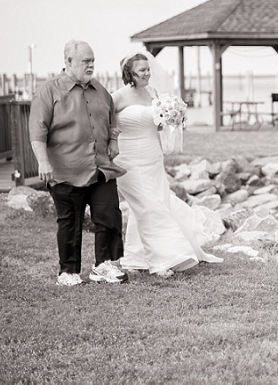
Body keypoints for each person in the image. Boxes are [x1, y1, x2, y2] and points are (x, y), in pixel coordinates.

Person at [111, 53, 222, 277]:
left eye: (148, 69)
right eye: (141, 70)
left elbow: (157, 126)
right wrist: (112, 140)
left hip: (153, 156)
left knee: (153, 203)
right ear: (129, 73)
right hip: (128, 159)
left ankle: (136, 257)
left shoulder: (153, 93)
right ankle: (161, 260)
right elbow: (103, 121)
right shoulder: (118, 97)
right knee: (147, 205)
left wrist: (171, 118)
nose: (147, 73)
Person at [29, 40, 129, 286]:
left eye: (93, 61)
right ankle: (68, 271)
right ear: (68, 62)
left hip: (100, 167)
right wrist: (43, 162)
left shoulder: (99, 89)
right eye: (86, 61)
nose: (91, 65)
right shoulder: (48, 91)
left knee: (109, 215)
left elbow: (112, 115)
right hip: (66, 170)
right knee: (70, 222)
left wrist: (114, 140)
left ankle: (104, 265)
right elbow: (37, 131)